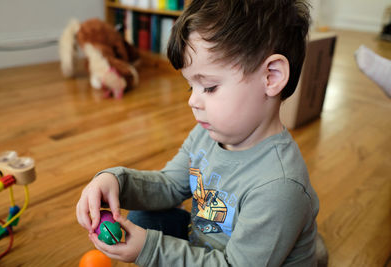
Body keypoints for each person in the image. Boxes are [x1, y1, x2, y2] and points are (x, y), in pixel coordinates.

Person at [76, 0, 320, 266]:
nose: (193, 101)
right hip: (204, 243)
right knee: (142, 220)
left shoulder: (279, 186)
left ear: (271, 77)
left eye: (210, 87)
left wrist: (151, 250)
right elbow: (170, 185)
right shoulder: (208, 133)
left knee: (146, 241)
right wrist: (117, 181)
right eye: (190, 87)